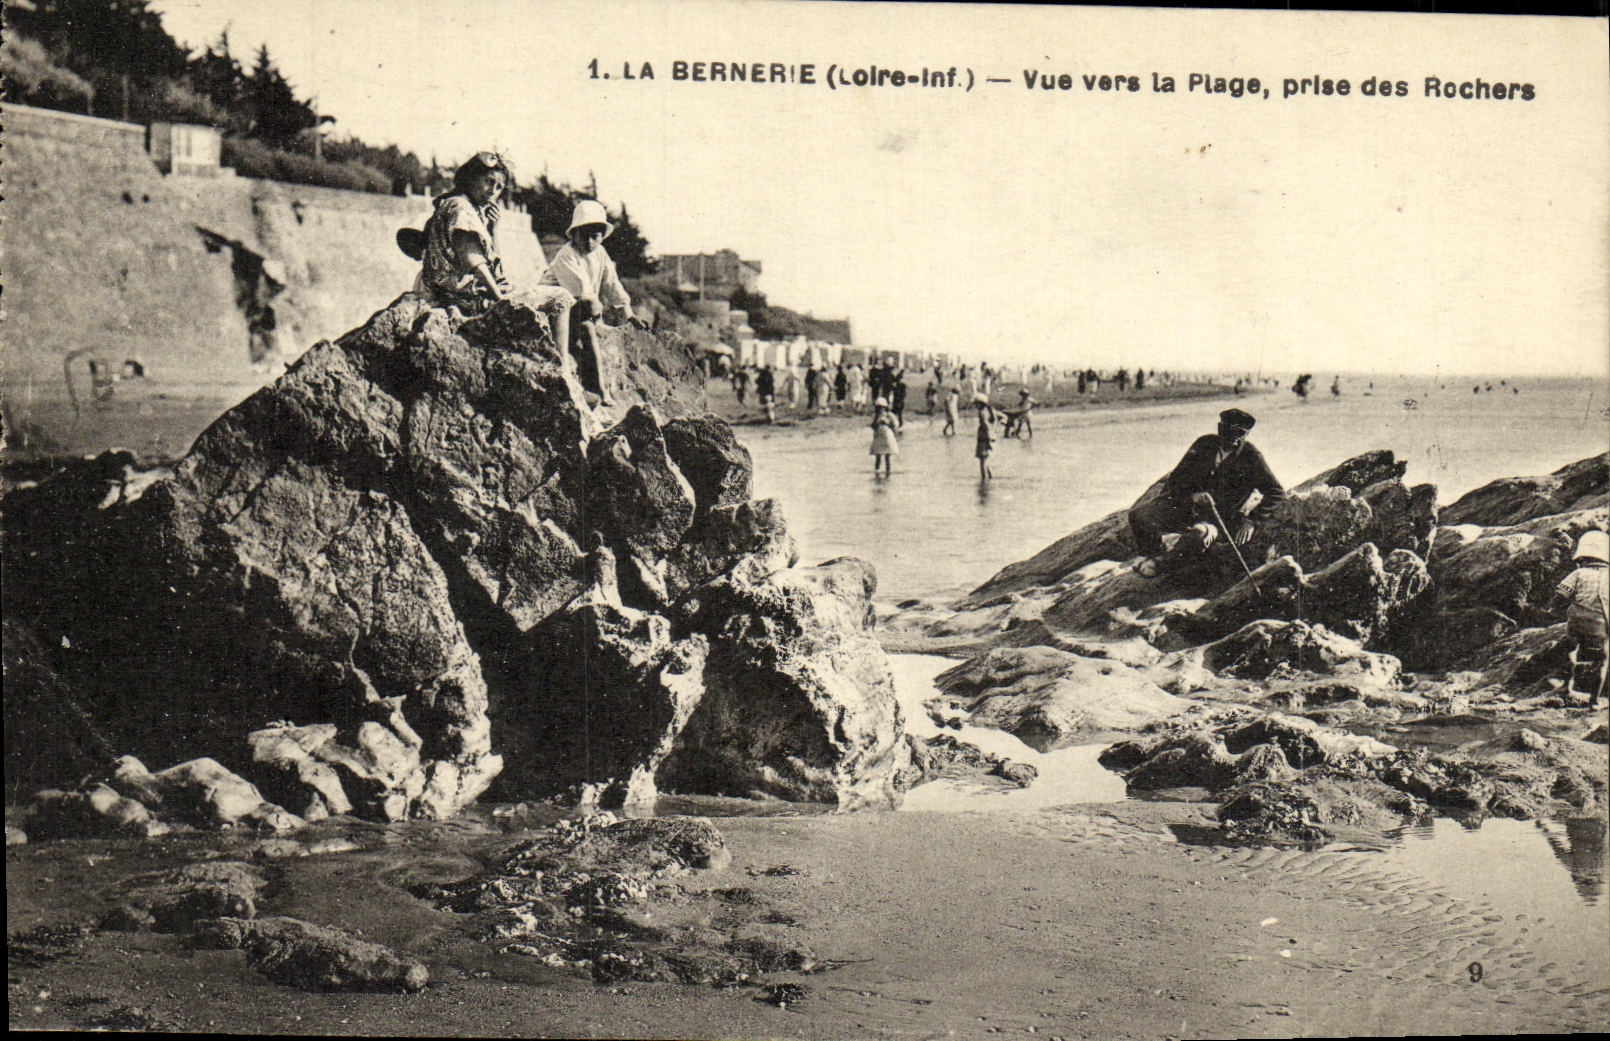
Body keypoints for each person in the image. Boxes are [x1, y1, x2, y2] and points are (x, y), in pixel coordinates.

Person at [1130, 408, 1288, 579]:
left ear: (1246, 434)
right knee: (1140, 515)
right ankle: (1153, 552)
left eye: (1240, 435)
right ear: (1221, 429)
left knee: (1200, 535)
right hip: (1187, 509)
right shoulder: (1204, 444)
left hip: (1218, 520)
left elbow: (1277, 492)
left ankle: (1160, 564)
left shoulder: (1251, 457)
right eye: (1230, 433)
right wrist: (1193, 495)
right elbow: (1176, 479)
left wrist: (1252, 520)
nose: (1235, 440)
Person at [540, 199, 643, 406]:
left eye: (594, 236)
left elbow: (612, 286)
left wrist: (628, 314)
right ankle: (599, 388)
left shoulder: (600, 255)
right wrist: (598, 320)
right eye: (583, 236)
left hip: (577, 312)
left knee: (588, 324)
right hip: (551, 312)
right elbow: (585, 296)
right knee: (588, 326)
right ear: (574, 234)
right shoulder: (566, 256)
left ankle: (595, 387)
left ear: (601, 237)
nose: (589, 242)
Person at [1551, 530, 1608, 705]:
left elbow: (1561, 595)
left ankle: (1566, 686)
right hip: (1601, 623)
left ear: (1582, 558)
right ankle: (1595, 699)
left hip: (1577, 620)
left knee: (1571, 649)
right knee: (1603, 658)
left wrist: (1553, 609)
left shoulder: (1579, 573)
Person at [870, 396, 899, 476]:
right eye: (878, 407)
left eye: (882, 407)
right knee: (878, 455)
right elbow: (872, 426)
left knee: (887, 455)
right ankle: (877, 470)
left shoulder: (889, 415)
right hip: (878, 437)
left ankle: (888, 471)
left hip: (887, 437)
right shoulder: (875, 416)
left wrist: (887, 423)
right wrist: (877, 422)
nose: (880, 409)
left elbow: (896, 425)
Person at [973, 393, 999, 480]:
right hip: (991, 436)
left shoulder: (982, 412)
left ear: (980, 403)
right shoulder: (990, 410)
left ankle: (984, 481)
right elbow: (995, 421)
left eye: (976, 403)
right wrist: (992, 434)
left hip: (984, 437)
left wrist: (988, 436)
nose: (975, 405)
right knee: (986, 459)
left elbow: (985, 424)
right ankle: (990, 477)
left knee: (982, 461)